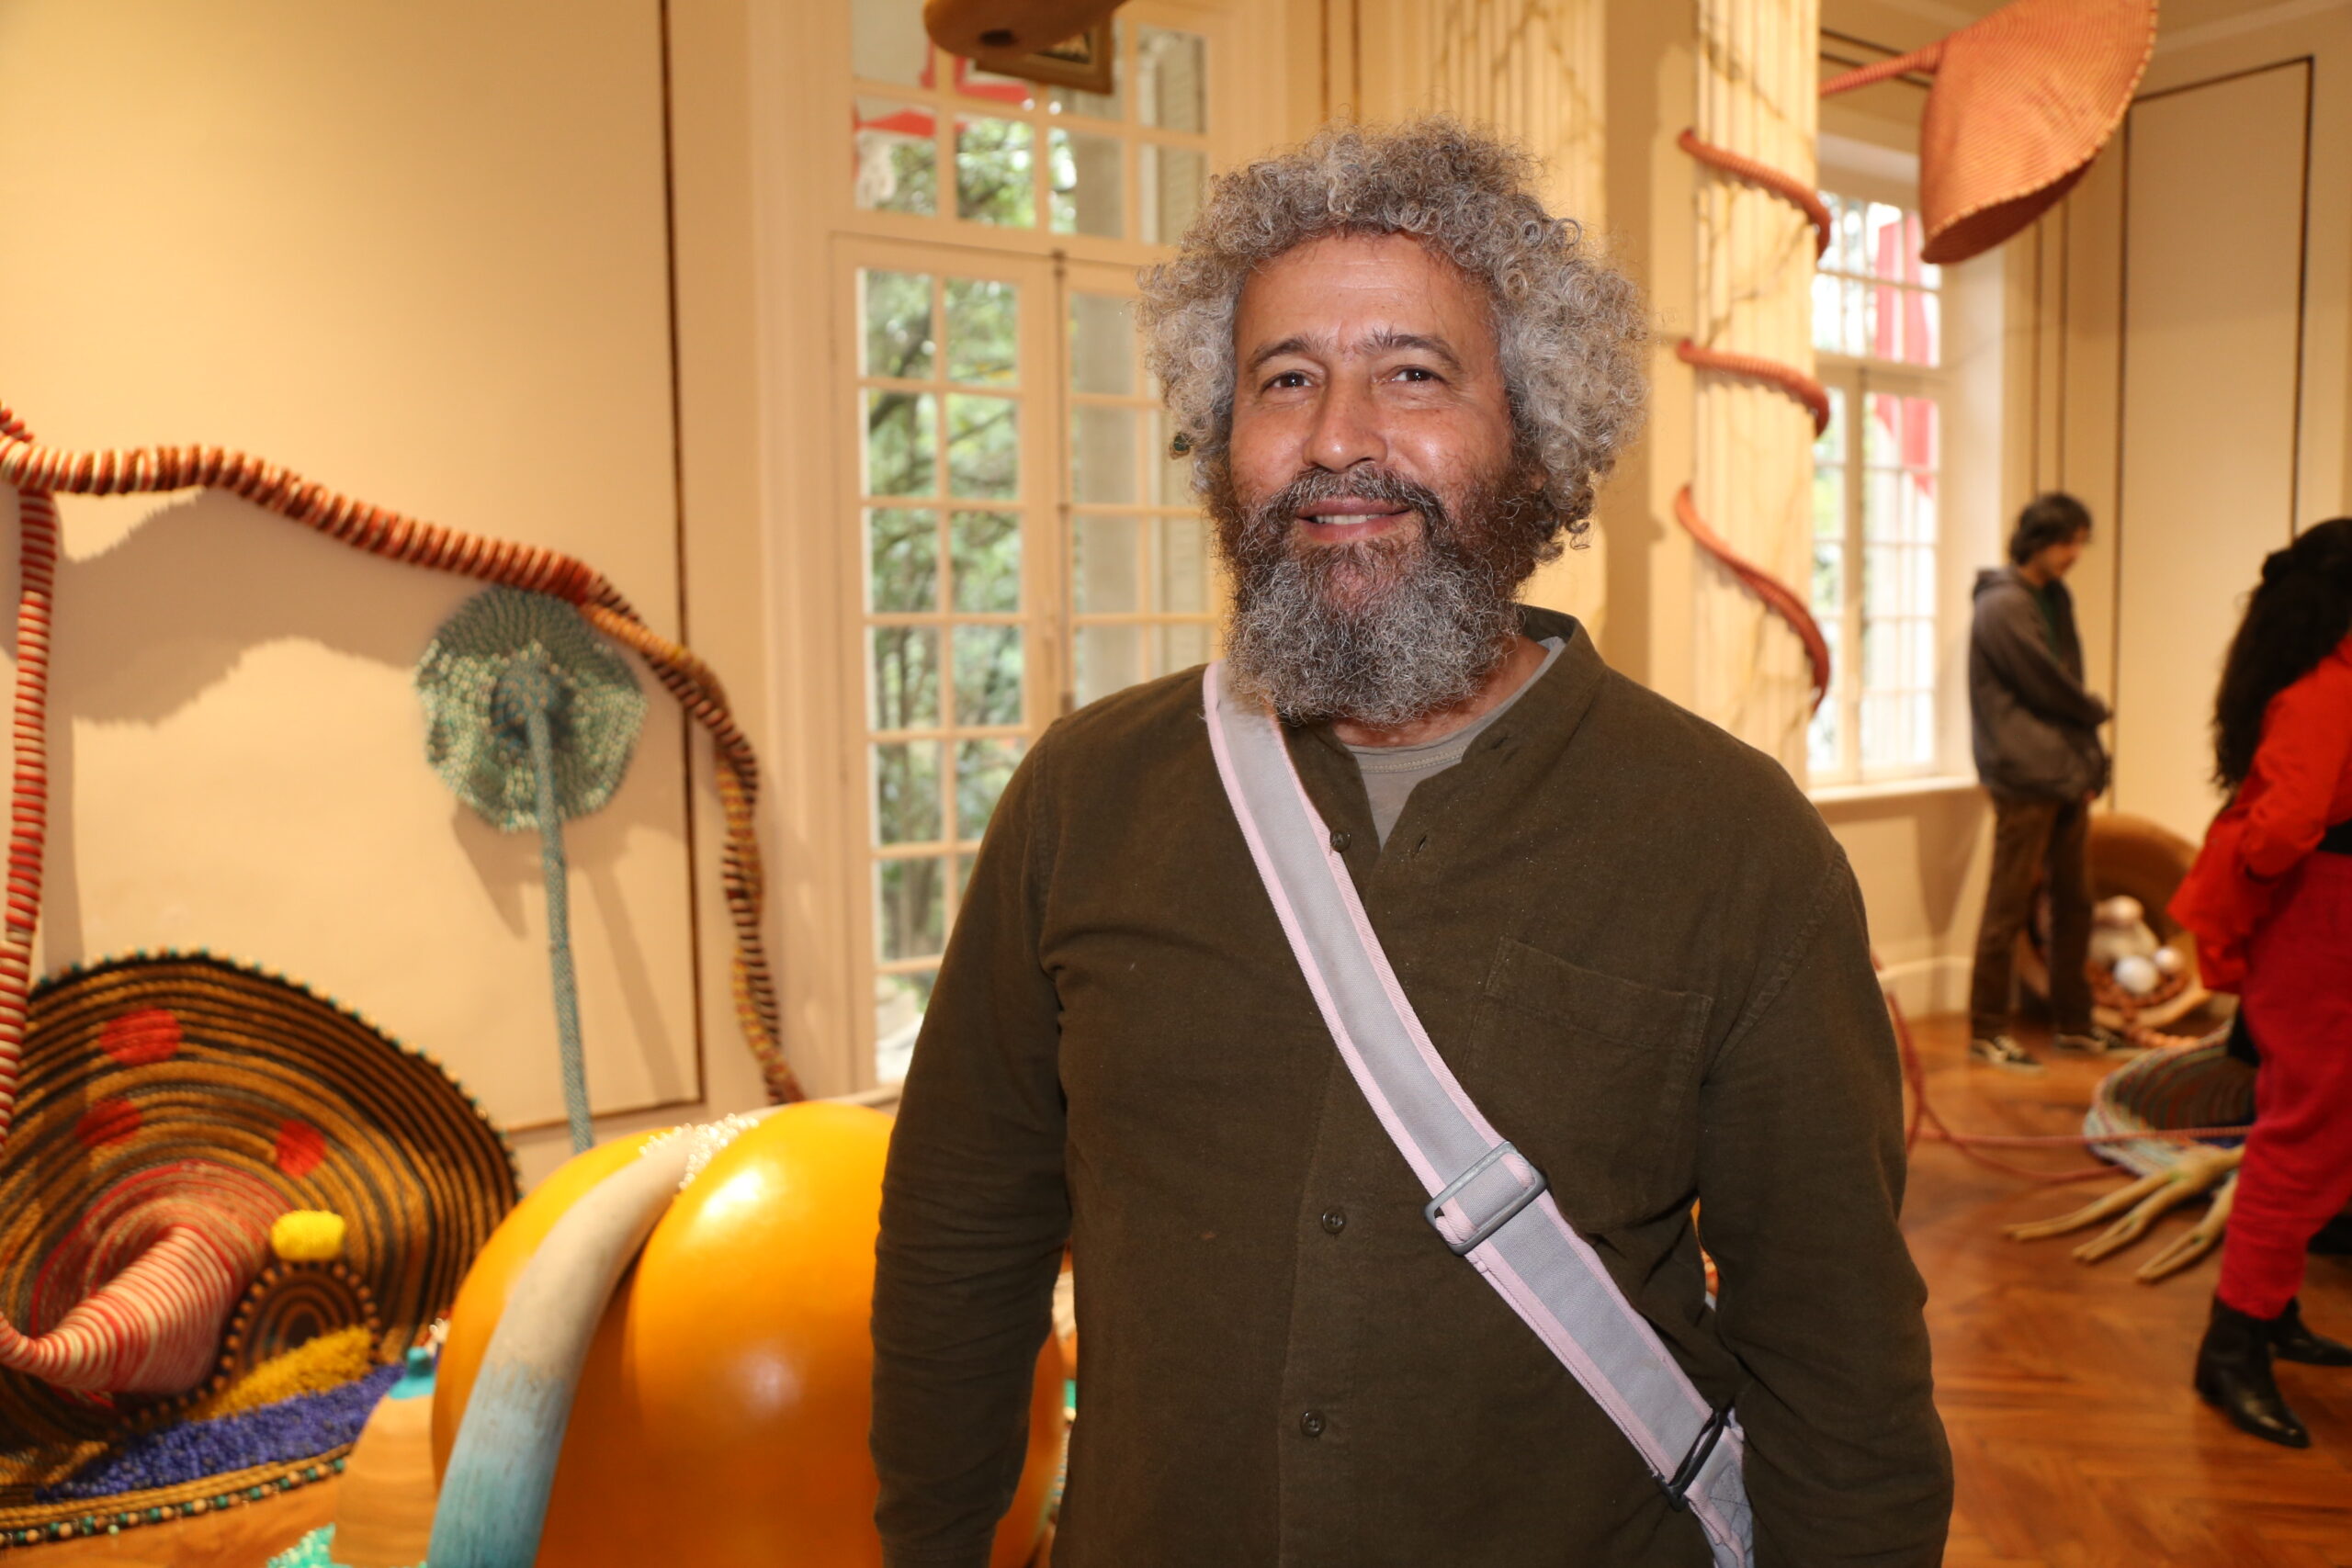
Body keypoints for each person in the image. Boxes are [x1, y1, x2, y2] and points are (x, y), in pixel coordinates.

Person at [870, 119, 1951, 1567]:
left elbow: (1840, 1373)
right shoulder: (1085, 796)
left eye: (1414, 373)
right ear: (1222, 437)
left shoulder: (1736, 847)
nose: (1337, 438)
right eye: (1285, 378)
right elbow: (959, 1236)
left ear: (1535, 432)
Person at [2169, 517, 2352, 1449]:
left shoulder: (2321, 678)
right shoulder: (2329, 688)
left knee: (2312, 1122)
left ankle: (2270, 1310)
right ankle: (2232, 1343)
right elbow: (2282, 829)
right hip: (2321, 926)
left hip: (2324, 918)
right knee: (2303, 1133)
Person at [1964, 493, 2120, 1071]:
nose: (2074, 553)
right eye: (2067, 540)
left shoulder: (2054, 597)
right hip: (2023, 775)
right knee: (2007, 905)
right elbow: (2047, 684)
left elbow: (2064, 683)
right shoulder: (2002, 604)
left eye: (2080, 541)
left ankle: (2074, 1023)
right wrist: (2095, 711)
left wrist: (2090, 764)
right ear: (2038, 539)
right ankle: (1986, 1029)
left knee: (2075, 902)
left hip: (2063, 775)